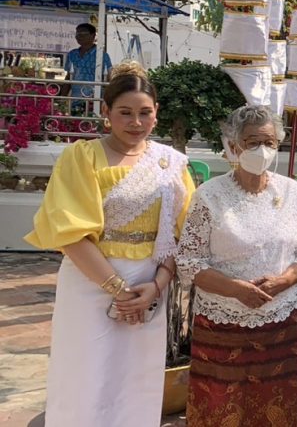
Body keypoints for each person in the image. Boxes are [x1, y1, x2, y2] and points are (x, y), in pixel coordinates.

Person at [25, 62, 194, 426]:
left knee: (136, 381)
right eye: (125, 113)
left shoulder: (171, 164)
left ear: (156, 113)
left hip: (149, 287)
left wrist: (157, 286)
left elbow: (187, 233)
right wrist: (118, 290)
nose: (136, 122)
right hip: (92, 281)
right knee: (85, 377)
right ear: (106, 113)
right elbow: (69, 232)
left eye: (144, 113)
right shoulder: (82, 157)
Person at [177, 105, 297, 427]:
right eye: (253, 141)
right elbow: (187, 260)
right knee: (218, 405)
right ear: (233, 145)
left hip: (279, 323)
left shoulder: (296, 195)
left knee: (273, 406)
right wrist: (234, 289)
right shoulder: (208, 196)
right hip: (221, 325)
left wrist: (285, 279)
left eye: (270, 143)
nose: (262, 150)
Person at [65, 22, 112, 111]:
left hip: (94, 101)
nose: (79, 36)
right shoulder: (72, 54)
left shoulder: (102, 55)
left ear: (93, 36)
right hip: (75, 100)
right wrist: (61, 99)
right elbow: (68, 78)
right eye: (77, 34)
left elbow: (108, 78)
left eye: (83, 34)